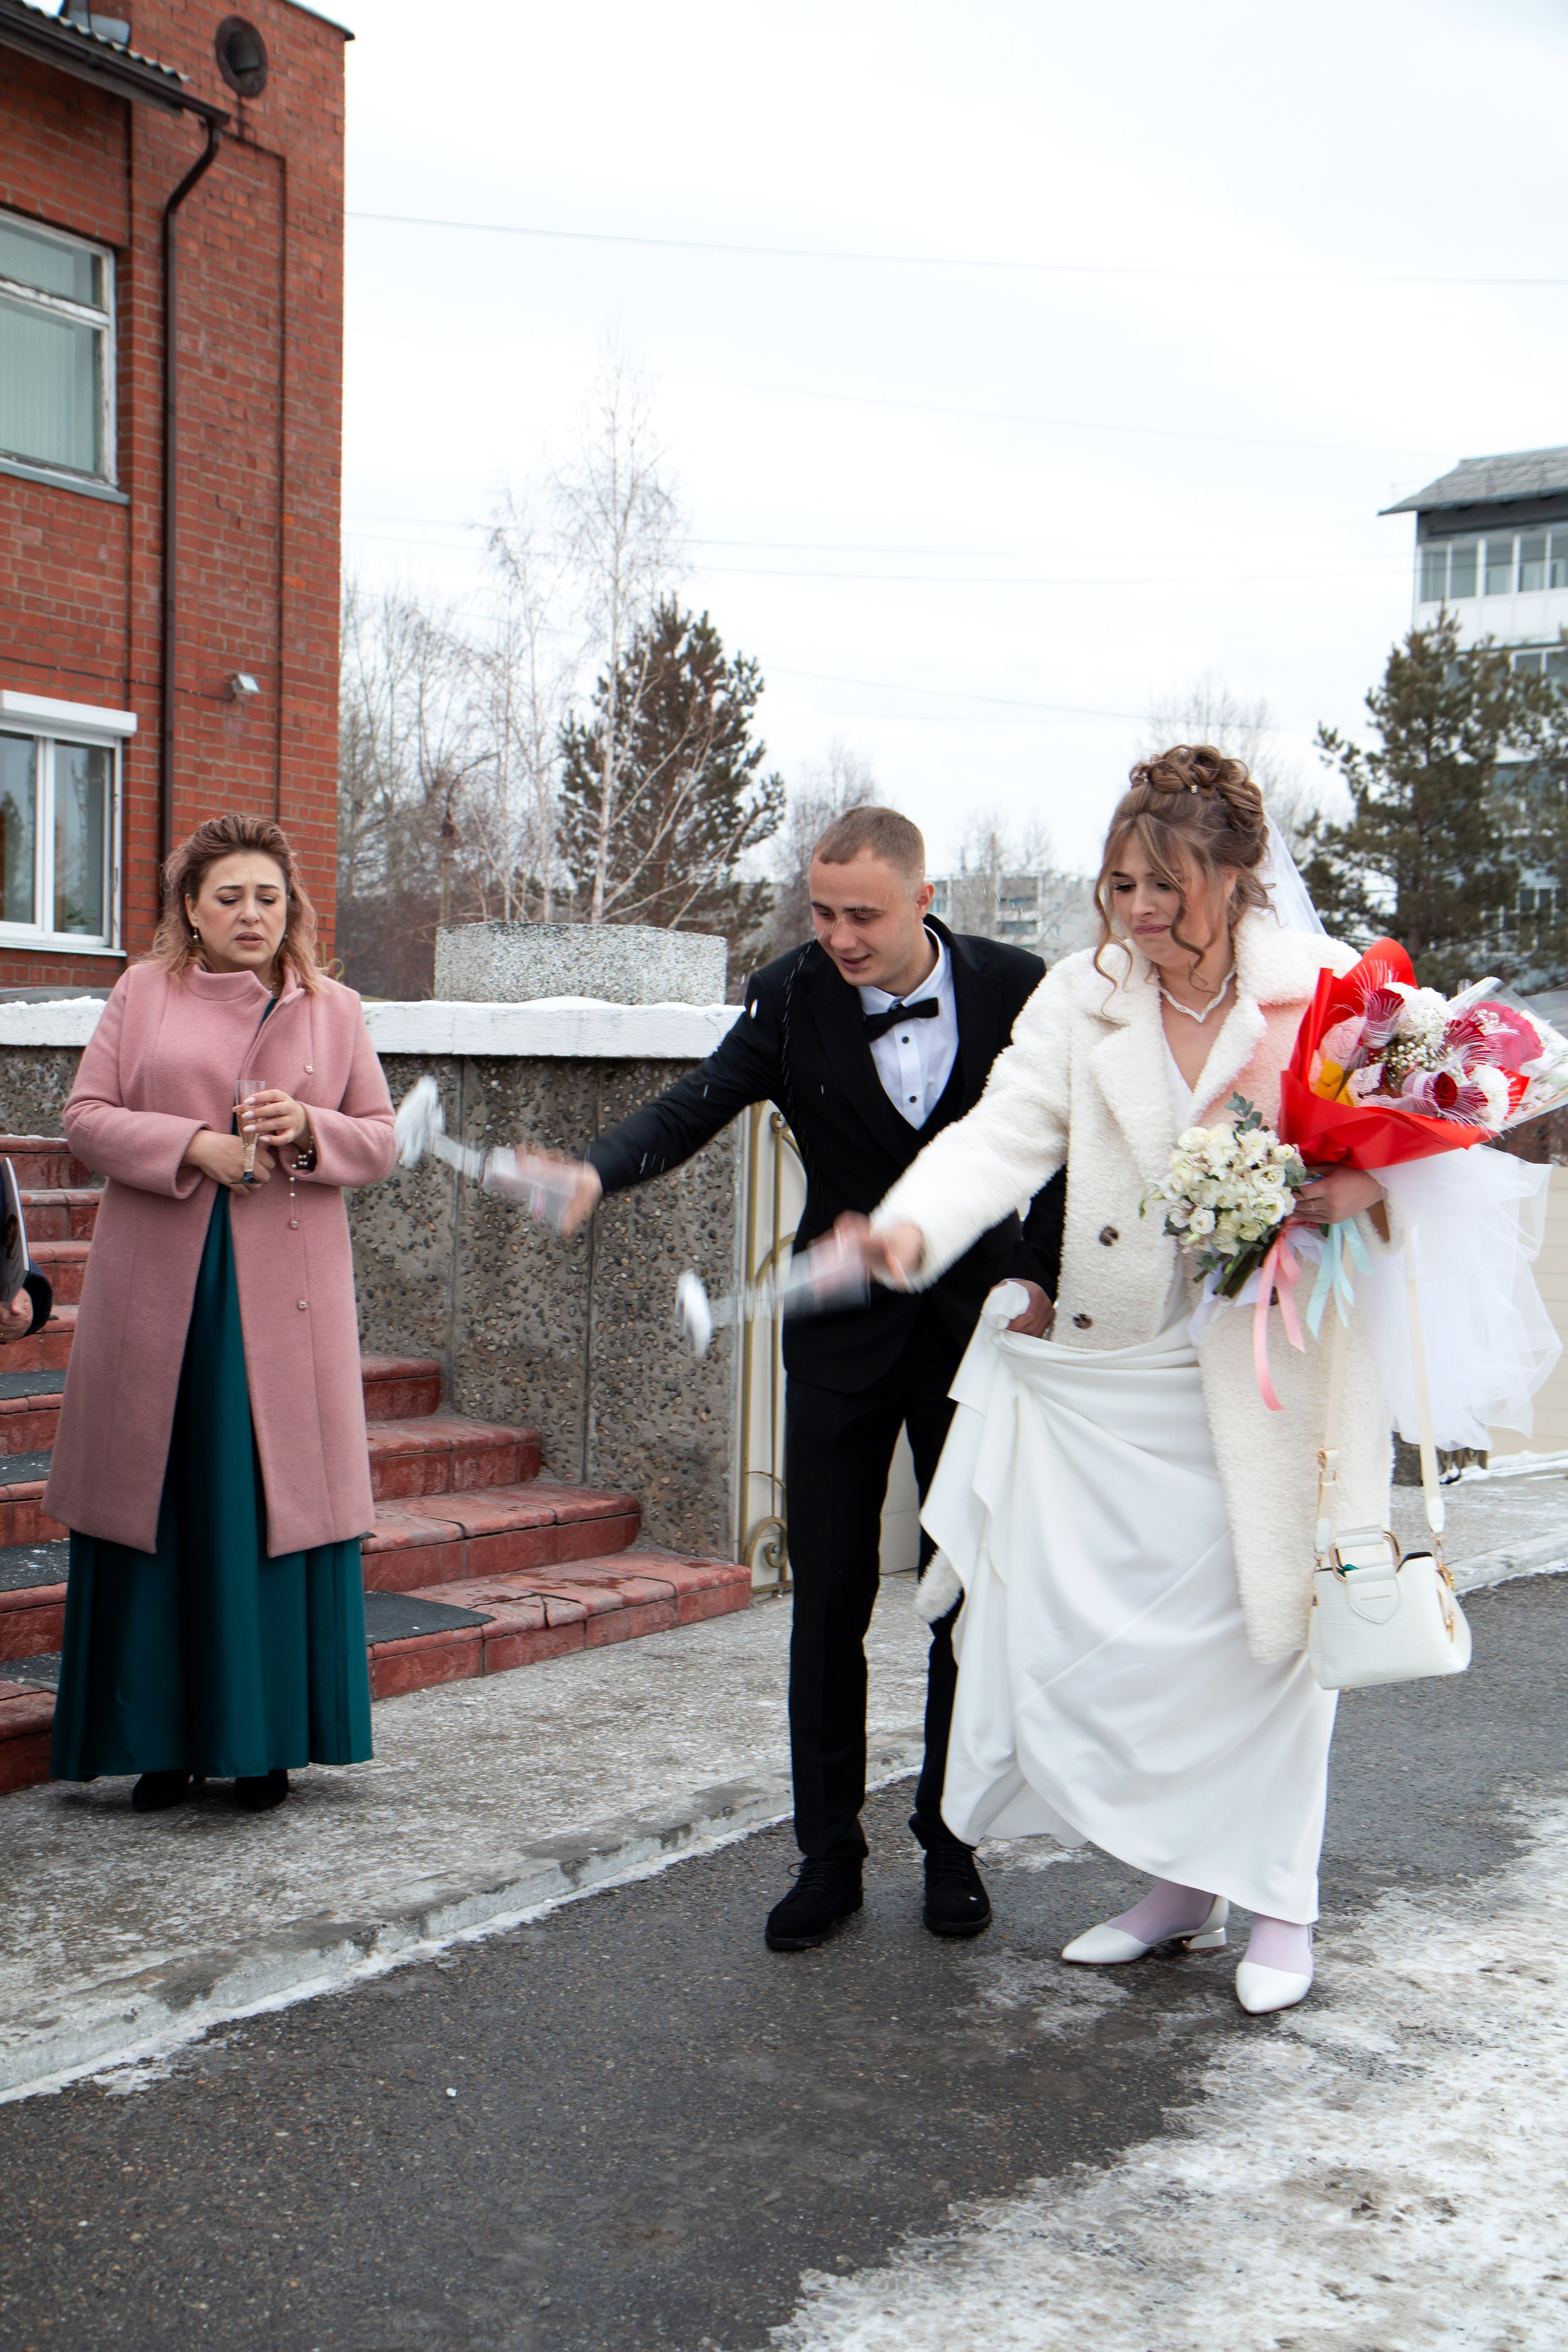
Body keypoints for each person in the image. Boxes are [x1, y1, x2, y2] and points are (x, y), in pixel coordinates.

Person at [855, 747, 1392, 2016]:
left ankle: (1281, 1908)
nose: (1140, 914)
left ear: (1238, 878)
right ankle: (1175, 1888)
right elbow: (1000, 1130)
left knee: (1270, 1641)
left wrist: (1350, 1187)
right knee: (1149, 1654)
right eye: (1118, 886)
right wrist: (912, 1224)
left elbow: (1433, 1141)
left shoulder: (1318, 992)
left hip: (1276, 1371)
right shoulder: (1078, 997)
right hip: (1124, 1372)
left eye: (1166, 886)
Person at [530, 807, 1065, 1950]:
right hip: (836, 1343)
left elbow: (1073, 1141)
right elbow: (699, 1103)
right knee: (828, 1604)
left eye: (862, 913)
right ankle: (827, 1857)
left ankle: (951, 1837)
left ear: (926, 896)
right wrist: (594, 1172)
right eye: (822, 911)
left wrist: (1038, 1271)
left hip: (982, 1343)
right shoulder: (790, 990)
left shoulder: (1022, 986)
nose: (839, 935)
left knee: (962, 1593)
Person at [46, 814, 398, 1814]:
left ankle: (264, 1745)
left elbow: (378, 1141)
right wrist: (192, 1146)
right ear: (191, 912)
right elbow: (82, 1118)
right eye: (230, 897)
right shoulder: (140, 993)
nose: (252, 914)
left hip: (280, 1311)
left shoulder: (335, 1010)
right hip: (161, 1297)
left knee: (262, 1506)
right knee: (159, 1507)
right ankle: (157, 1746)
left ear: (292, 909)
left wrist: (312, 1128)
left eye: (269, 897)